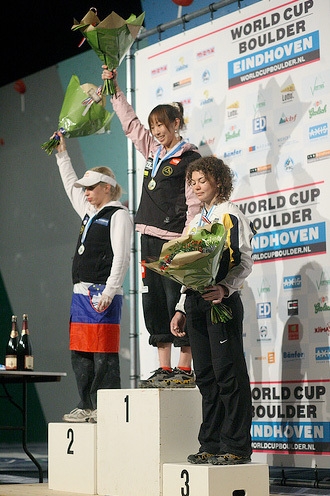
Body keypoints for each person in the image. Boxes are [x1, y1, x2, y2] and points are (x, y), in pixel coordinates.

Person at [101, 67, 201, 388]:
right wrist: (113, 87)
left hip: (176, 242)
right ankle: (164, 368)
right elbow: (129, 123)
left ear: (176, 124)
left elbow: (195, 205)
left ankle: (185, 368)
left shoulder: (190, 158)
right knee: (154, 301)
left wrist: (188, 242)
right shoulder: (152, 151)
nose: (156, 130)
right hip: (148, 239)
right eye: (153, 125)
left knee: (178, 301)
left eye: (162, 125)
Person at [170, 156, 255, 465]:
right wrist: (181, 306)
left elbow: (243, 259)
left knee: (228, 375)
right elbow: (187, 269)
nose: (196, 186)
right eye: (192, 182)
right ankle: (212, 443)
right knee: (206, 378)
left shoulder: (229, 214)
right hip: (194, 303)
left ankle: (236, 446)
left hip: (220, 302)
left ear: (219, 181)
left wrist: (226, 288)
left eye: (201, 180)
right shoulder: (195, 222)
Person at [54, 132, 133, 423]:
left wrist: (110, 292)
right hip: (80, 294)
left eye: (90, 188)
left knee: (104, 353)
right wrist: (62, 154)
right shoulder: (89, 211)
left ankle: (106, 407)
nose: (85, 193)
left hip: (102, 293)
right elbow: (69, 185)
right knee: (81, 353)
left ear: (106, 188)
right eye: (85, 189)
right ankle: (86, 404)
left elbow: (122, 257)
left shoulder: (119, 215)